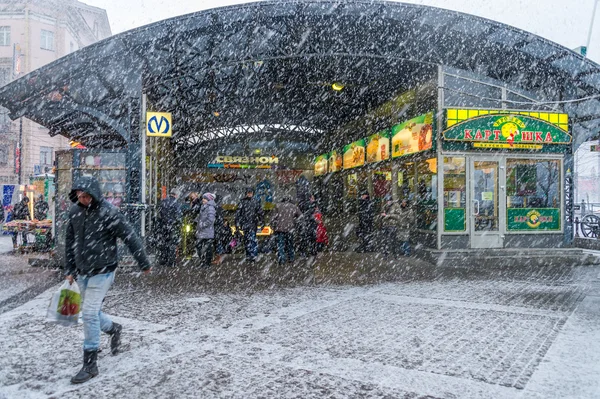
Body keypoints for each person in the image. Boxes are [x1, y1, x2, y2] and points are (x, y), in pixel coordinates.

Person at [64, 176, 151, 384]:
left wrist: (143, 262)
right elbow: (70, 241)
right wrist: (70, 268)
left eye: (85, 196)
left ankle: (90, 364)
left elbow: (129, 236)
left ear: (94, 194)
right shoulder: (75, 211)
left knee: (90, 314)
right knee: (90, 312)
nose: (82, 199)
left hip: (103, 271)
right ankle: (113, 328)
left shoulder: (109, 213)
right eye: (79, 196)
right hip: (83, 271)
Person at [235, 187, 264, 262]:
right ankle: (250, 255)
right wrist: (237, 224)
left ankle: (252, 255)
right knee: (247, 240)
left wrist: (261, 221)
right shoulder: (243, 202)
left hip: (251, 224)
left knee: (251, 239)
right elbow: (238, 214)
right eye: (248, 192)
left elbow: (260, 213)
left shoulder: (254, 202)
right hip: (246, 224)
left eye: (250, 192)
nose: (249, 194)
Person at [156, 189, 182, 267]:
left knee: (164, 243)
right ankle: (171, 262)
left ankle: (163, 260)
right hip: (172, 226)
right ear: (176, 195)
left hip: (163, 225)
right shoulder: (176, 203)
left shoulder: (163, 202)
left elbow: (159, 214)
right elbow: (178, 216)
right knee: (172, 244)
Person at [272, 196, 301, 264]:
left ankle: (282, 260)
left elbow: (273, 218)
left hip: (279, 229)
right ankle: (291, 258)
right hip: (290, 229)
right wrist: (295, 222)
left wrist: (274, 227)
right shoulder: (293, 207)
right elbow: (301, 216)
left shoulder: (277, 206)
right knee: (290, 244)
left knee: (280, 245)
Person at [195, 193, 216, 267]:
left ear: (208, 199)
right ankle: (204, 261)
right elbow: (202, 217)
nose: (203, 199)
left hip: (207, 231)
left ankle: (207, 263)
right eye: (203, 198)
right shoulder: (204, 207)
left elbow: (210, 220)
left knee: (206, 248)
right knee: (200, 247)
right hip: (202, 231)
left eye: (205, 198)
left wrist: (202, 224)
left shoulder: (210, 208)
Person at [212, 196, 229, 265]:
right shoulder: (220, 208)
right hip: (219, 228)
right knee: (218, 242)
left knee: (217, 243)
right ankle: (219, 257)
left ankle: (218, 259)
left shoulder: (215, 208)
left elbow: (217, 219)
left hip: (216, 228)